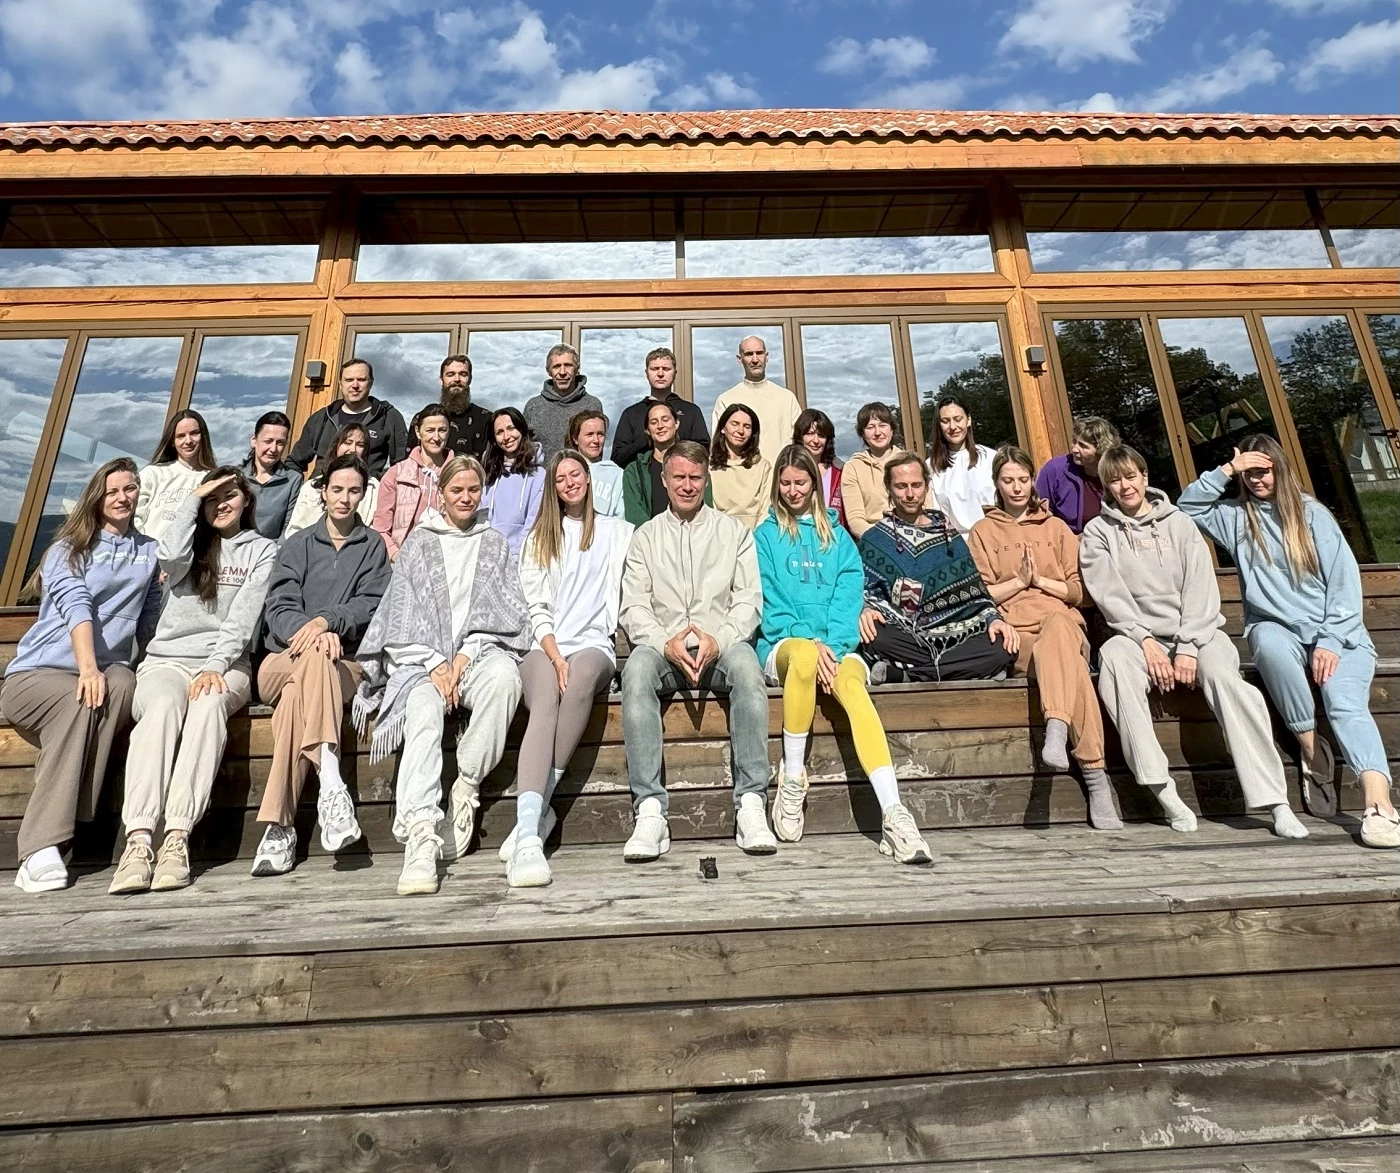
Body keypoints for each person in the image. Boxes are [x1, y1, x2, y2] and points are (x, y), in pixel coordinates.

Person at [1080, 444, 1309, 840]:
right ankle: (1162, 789)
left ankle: (1275, 802)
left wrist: (1187, 647)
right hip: (1138, 639)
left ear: (1145, 477)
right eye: (1115, 480)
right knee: (1113, 659)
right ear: (1106, 487)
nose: (1125, 486)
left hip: (1199, 633)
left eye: (1131, 476)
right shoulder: (1098, 533)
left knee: (1226, 678)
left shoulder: (1180, 523)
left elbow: (1200, 588)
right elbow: (1110, 596)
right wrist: (1145, 640)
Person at [1178, 434, 1397, 849]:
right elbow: (1189, 506)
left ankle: (1378, 803)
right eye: (1250, 473)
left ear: (1280, 468)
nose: (1258, 480)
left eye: (1264, 471)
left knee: (1343, 703)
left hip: (1338, 633)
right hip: (1277, 629)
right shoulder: (1237, 518)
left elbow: (1345, 584)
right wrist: (1227, 470)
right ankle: (1312, 752)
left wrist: (1331, 639)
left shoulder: (1313, 515)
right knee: (1269, 644)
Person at [353, 455, 530, 896]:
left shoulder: (493, 542)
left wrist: (464, 657)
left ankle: (466, 784)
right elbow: (400, 614)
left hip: (476, 656)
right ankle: (421, 832)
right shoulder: (419, 542)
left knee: (505, 678)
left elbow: (505, 611)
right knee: (423, 711)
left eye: (473, 490)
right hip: (421, 661)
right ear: (442, 495)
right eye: (457, 490)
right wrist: (435, 663)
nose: (466, 498)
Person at [755, 445, 932, 863]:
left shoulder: (838, 539)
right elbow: (771, 598)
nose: (793, 491)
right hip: (783, 642)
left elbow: (848, 598)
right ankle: (792, 778)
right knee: (803, 657)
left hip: (837, 646)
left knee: (852, 686)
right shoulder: (764, 536)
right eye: (786, 483)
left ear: (814, 485)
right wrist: (810, 642)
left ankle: (894, 813)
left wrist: (832, 648)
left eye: (801, 483)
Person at [107, 467, 277, 894]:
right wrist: (192, 498)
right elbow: (167, 557)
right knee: (163, 708)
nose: (221, 504)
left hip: (226, 664)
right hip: (166, 660)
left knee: (207, 706)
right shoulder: (189, 544)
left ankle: (177, 837)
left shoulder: (262, 550)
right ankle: (138, 840)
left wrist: (214, 666)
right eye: (212, 498)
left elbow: (243, 619)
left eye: (230, 495)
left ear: (246, 500)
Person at [3, 458, 161, 894]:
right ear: (96, 498)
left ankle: (77, 816)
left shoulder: (149, 552)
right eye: (113, 491)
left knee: (125, 682)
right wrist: (89, 668)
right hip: (36, 676)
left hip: (101, 674)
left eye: (129, 489)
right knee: (82, 698)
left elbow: (149, 621)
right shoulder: (68, 549)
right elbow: (77, 605)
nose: (122, 498)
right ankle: (38, 848)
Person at [619, 440, 774, 860]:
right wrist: (662, 642)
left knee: (747, 669)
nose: (687, 486)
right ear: (664, 480)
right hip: (664, 647)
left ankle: (751, 803)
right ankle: (650, 809)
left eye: (695, 477)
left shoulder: (734, 533)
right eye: (679, 477)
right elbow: (634, 605)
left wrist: (719, 638)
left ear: (706, 480)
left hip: (720, 645)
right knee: (635, 672)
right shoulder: (645, 537)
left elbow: (748, 600)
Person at [250, 454, 392, 877]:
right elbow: (278, 605)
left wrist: (329, 622)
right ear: (323, 492)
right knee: (310, 661)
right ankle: (331, 783)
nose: (344, 498)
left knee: (297, 699)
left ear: (363, 495)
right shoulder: (297, 545)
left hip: (344, 665)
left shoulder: (373, 547)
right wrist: (311, 631)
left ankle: (278, 828)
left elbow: (372, 605)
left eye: (354, 491)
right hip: (281, 660)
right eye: (337, 489)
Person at [968, 448, 1119, 830]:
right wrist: (1019, 583)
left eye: (1023, 479)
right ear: (997, 484)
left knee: (1058, 626)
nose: (1017, 487)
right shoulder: (982, 532)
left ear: (1032, 481)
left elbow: (1080, 592)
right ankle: (1096, 778)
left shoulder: (1056, 528)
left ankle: (1057, 726)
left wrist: (1040, 581)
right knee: (1075, 673)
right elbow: (979, 595)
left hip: (1062, 623)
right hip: (1017, 635)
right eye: (1008, 480)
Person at [509, 450, 633, 886]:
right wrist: (555, 655)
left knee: (580, 682)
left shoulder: (619, 533)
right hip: (544, 645)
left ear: (588, 477)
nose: (570, 483)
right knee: (545, 699)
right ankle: (529, 835)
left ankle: (536, 812)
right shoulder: (541, 538)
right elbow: (535, 606)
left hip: (593, 645)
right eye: (560, 478)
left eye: (575, 474)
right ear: (554, 488)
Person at [858, 453, 1018, 683]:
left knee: (1003, 645)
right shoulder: (874, 539)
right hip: (904, 636)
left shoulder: (948, 535)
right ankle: (968, 669)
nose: (910, 494)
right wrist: (865, 609)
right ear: (889, 489)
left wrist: (994, 619)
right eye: (901, 486)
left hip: (955, 633)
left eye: (916, 485)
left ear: (927, 486)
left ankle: (907, 675)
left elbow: (977, 594)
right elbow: (863, 592)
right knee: (873, 634)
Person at [287, 358, 408, 479]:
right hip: (321, 488)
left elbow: (403, 466)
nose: (355, 385)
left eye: (361, 380)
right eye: (349, 380)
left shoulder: (388, 417)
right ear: (340, 384)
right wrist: (301, 489)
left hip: (366, 489)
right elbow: (294, 463)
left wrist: (377, 483)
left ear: (370, 383)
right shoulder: (322, 417)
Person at [373, 403, 451, 560]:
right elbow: (381, 528)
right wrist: (396, 555)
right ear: (418, 432)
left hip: (446, 560)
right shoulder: (396, 474)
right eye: (430, 430)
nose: (436, 437)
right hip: (403, 560)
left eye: (442, 430)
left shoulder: (459, 474)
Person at [710, 335, 800, 467]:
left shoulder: (787, 398)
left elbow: (799, 443)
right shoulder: (726, 400)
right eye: (749, 354)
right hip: (741, 475)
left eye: (759, 353)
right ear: (739, 359)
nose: (755, 360)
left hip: (780, 474)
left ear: (766, 357)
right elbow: (718, 447)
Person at [611, 347, 710, 466]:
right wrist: (647, 439)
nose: (660, 374)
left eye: (666, 369)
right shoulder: (631, 414)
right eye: (655, 369)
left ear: (675, 373)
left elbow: (704, 452)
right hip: (642, 476)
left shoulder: (691, 411)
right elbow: (617, 458)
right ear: (646, 373)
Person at [622, 400, 712, 525]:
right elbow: (636, 518)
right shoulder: (634, 472)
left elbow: (706, 510)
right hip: (651, 536)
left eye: (665, 419)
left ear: (676, 423)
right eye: (654, 422)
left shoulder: (695, 465)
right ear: (647, 429)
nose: (660, 426)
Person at [135, 409, 216, 543]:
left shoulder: (212, 480)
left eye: (194, 433)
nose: (188, 440)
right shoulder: (153, 473)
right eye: (181, 436)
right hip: (148, 552)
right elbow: (134, 516)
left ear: (203, 436)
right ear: (172, 441)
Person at [285, 423, 380, 536]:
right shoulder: (311, 487)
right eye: (348, 443)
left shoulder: (373, 487)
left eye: (360, 445)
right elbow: (294, 530)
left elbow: (375, 528)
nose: (353, 449)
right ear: (337, 446)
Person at [1037, 416, 1120, 536]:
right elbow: (1039, 512)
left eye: (1083, 446)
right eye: (1074, 441)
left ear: (1100, 450)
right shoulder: (1055, 469)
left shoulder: (1116, 472)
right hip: (1069, 540)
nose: (1074, 449)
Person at [927, 395, 997, 536]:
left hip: (992, 537)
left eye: (957, 419)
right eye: (945, 421)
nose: (953, 427)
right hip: (955, 542)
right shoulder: (931, 466)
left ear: (968, 420)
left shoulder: (991, 458)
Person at [483, 407, 546, 559]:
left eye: (511, 428)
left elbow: (533, 523)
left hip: (520, 558)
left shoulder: (540, 476)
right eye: (500, 432)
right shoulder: (488, 474)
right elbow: (480, 516)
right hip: (487, 556)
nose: (506, 437)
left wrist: (516, 558)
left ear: (521, 429)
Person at [524, 344, 603, 458]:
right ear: (548, 371)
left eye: (568, 365)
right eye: (556, 366)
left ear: (577, 369)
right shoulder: (533, 407)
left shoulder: (592, 405)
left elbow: (597, 451)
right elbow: (524, 450)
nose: (562, 372)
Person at [240, 411, 303, 541]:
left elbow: (289, 527)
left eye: (280, 443)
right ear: (254, 440)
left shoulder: (293, 480)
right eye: (268, 441)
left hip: (272, 550)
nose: (273, 449)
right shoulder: (236, 477)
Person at [842, 402, 901, 539]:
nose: (877, 432)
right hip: (873, 540)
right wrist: (882, 540)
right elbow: (855, 520)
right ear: (862, 433)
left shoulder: (911, 463)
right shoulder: (853, 468)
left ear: (892, 429)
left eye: (883, 425)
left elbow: (926, 509)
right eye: (870, 427)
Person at [710, 404, 773, 531]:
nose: (741, 431)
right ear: (723, 428)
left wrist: (755, 537)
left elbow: (766, 509)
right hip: (718, 534)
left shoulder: (763, 466)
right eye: (735, 424)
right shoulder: (709, 466)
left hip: (754, 535)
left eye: (747, 426)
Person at [567, 409, 626, 518]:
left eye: (600, 434)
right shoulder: (563, 473)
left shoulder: (617, 474)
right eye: (589, 434)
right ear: (575, 438)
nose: (596, 440)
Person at [794, 408, 845, 529]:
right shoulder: (790, 470)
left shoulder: (840, 471)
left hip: (834, 533)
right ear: (800, 437)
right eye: (810, 434)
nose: (816, 440)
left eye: (821, 435)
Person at [439, 354, 494, 459]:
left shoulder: (486, 420)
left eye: (463, 374)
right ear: (441, 380)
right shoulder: (424, 420)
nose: (457, 379)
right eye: (450, 374)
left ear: (470, 379)